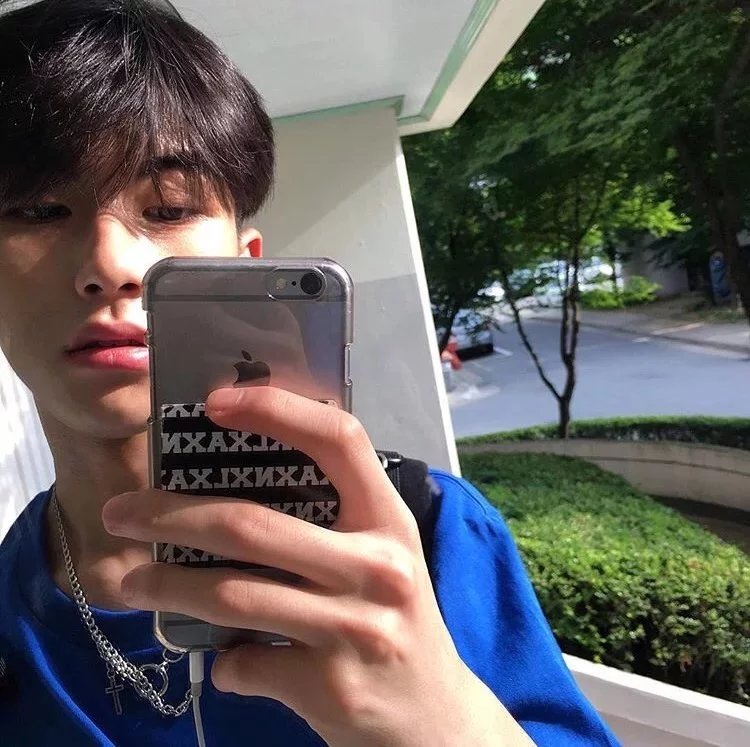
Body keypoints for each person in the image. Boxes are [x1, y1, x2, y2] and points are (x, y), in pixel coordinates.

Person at [0, 1, 620, 745]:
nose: (108, 264)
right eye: (38, 208)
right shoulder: (7, 607)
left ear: (244, 267)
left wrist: (445, 721)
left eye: (166, 207)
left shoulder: (428, 536)